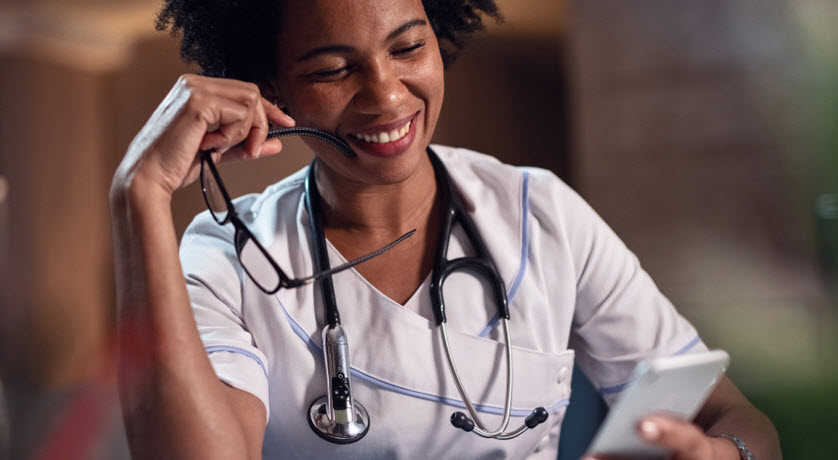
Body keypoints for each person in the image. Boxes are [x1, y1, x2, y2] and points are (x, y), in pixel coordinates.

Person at [109, 0, 781, 458]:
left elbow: (734, 417)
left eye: (408, 46)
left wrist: (729, 454)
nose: (388, 94)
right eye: (334, 69)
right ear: (269, 88)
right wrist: (139, 193)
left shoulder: (539, 212)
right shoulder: (229, 255)